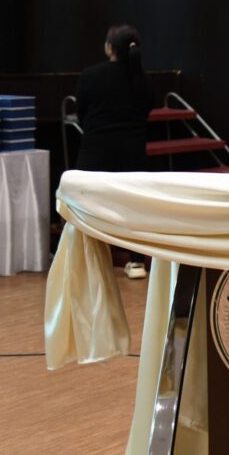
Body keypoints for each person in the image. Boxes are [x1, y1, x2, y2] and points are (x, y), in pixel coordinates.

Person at [74, 25, 153, 279]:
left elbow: (81, 113)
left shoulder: (90, 75)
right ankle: (137, 262)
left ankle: (90, 260)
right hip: (132, 152)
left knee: (89, 205)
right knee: (133, 207)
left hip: (95, 151)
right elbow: (146, 112)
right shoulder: (141, 78)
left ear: (109, 47)